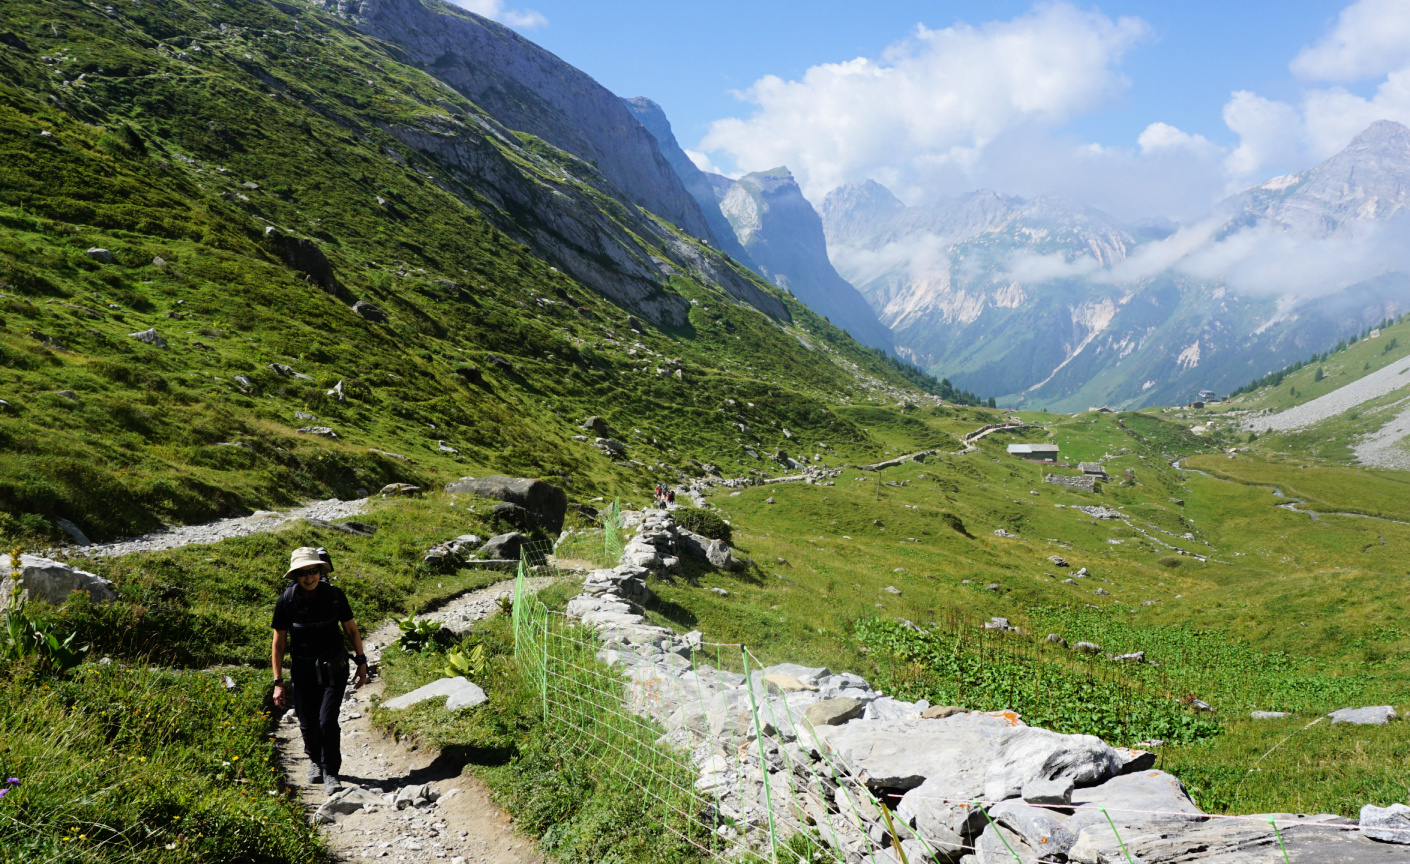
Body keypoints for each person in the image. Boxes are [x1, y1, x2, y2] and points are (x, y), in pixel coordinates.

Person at [271, 547, 368, 793]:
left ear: (319, 571)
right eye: (302, 573)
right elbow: (279, 642)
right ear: (295, 576)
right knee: (307, 721)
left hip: (334, 667)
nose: (309, 577)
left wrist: (361, 661)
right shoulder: (287, 601)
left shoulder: (335, 595)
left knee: (327, 720)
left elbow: (351, 630)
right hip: (303, 669)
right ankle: (315, 760)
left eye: (313, 571)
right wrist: (278, 682)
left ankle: (331, 771)